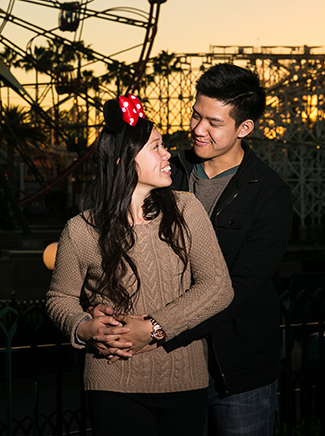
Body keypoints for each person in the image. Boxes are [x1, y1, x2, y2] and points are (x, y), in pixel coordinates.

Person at [93, 65, 293, 436]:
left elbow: (240, 287)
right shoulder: (169, 172)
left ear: (244, 128)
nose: (198, 128)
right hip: (171, 366)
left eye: (213, 122)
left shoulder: (269, 194)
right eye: (196, 114)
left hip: (236, 369)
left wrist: (156, 330)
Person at [45, 95, 234, 436]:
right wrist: (85, 328)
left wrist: (154, 327)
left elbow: (218, 287)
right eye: (157, 147)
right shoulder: (80, 230)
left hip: (185, 380)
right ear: (123, 161)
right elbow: (59, 298)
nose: (168, 155)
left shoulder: (187, 210)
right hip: (112, 382)